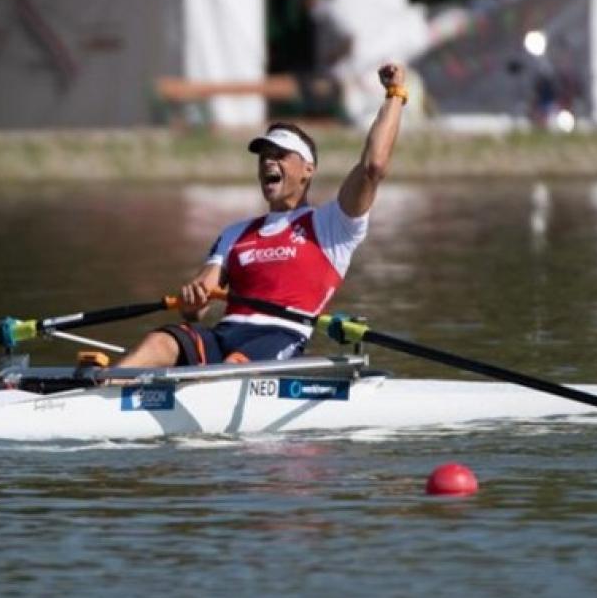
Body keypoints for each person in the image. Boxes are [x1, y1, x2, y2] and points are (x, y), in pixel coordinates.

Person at [116, 62, 409, 368]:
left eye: (280, 155)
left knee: (232, 365)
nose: (268, 162)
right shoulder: (235, 234)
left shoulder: (331, 226)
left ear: (308, 169)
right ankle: (105, 386)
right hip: (224, 334)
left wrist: (395, 94)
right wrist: (193, 303)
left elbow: (372, 167)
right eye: (264, 157)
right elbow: (198, 307)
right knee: (161, 341)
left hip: (279, 337)